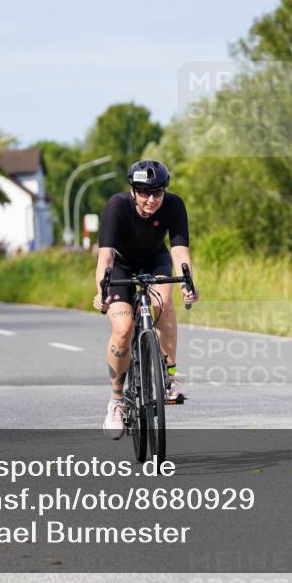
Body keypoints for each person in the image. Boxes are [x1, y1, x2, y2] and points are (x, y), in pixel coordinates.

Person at [92, 160, 198, 439]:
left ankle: (169, 373)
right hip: (121, 267)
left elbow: (179, 251)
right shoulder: (117, 206)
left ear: (164, 190)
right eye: (143, 192)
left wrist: (188, 281)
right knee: (123, 329)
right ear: (132, 191)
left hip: (155, 260)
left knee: (164, 300)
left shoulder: (174, 206)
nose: (151, 199)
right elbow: (106, 256)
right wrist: (101, 291)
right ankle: (116, 401)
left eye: (157, 192)